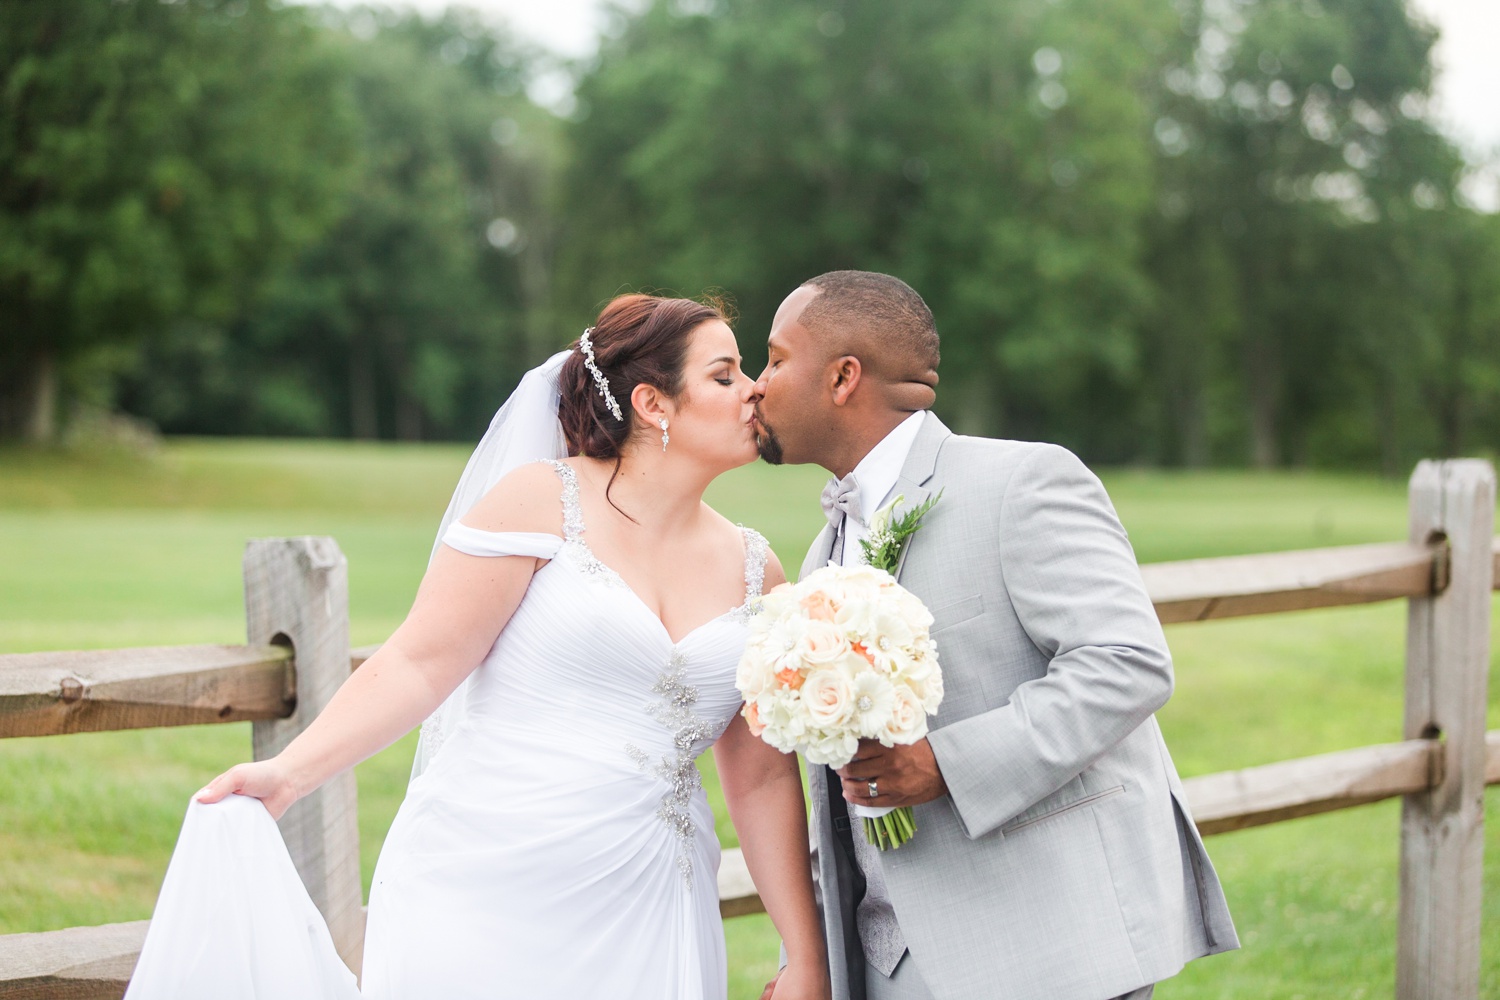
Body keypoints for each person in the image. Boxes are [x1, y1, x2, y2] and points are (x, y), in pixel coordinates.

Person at [129, 294, 831, 1000]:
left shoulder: (755, 570)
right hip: (485, 879)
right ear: (654, 404)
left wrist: (804, 956)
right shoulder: (538, 504)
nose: (756, 390)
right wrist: (288, 773)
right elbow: (419, 662)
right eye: (725, 375)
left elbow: (762, 779)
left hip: (655, 901)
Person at [751, 271, 1238, 1000]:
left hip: (1049, 952)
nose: (758, 386)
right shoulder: (826, 549)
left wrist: (944, 764)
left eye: (776, 359)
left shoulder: (1021, 482)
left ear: (843, 377)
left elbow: (1126, 664)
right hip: (887, 964)